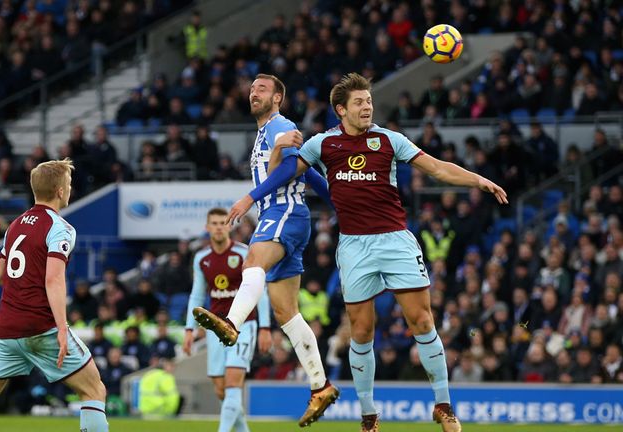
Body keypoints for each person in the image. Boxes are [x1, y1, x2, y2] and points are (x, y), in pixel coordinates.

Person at [234, 73, 508, 432]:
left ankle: (444, 406)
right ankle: (369, 416)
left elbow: (438, 168)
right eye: (360, 103)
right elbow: (287, 172)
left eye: (369, 101)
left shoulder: (389, 140)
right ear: (341, 110)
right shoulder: (323, 144)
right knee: (361, 331)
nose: (367, 107)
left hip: (395, 240)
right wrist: (271, 160)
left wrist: (478, 179)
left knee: (422, 321)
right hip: (353, 246)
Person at [193, 74, 338, 427]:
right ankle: (320, 386)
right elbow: (305, 170)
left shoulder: (280, 124)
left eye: (261, 89)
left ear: (277, 98)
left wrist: (250, 197)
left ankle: (232, 323)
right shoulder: (267, 134)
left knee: (252, 259)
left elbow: (290, 169)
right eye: (251, 88)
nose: (252, 93)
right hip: (285, 216)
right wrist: (338, 201)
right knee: (286, 313)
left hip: (282, 213)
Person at [0, 159, 107, 432]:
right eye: (68, 184)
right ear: (60, 191)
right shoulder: (61, 228)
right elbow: (53, 279)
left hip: (7, 329)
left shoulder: (15, 225)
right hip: (41, 327)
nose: (69, 188)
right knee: (94, 391)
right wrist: (62, 327)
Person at [184, 208, 272, 432]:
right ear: (207, 228)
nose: (219, 226)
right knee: (222, 390)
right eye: (214, 223)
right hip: (215, 329)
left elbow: (259, 291)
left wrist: (265, 327)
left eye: (223, 222)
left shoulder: (244, 253)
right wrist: (189, 330)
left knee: (233, 384)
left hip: (244, 326)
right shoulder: (201, 258)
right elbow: (196, 294)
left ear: (230, 226)